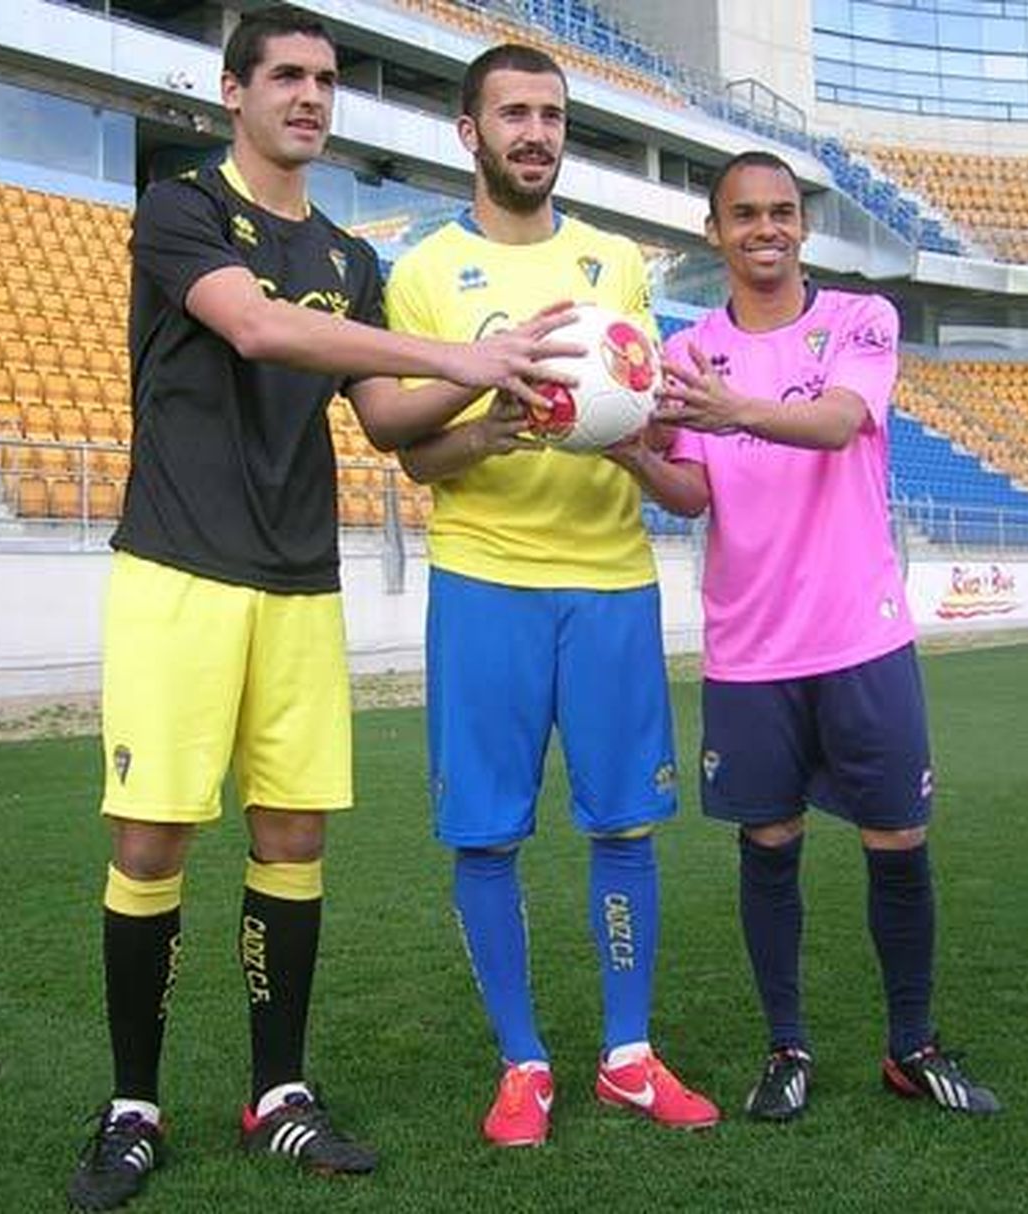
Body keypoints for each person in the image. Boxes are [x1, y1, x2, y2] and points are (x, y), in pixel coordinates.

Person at [67, 10, 583, 1210]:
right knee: (151, 842)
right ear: (234, 90)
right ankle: (133, 1103)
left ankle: (278, 1096)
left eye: (325, 80)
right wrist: (458, 353)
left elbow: (390, 421)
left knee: (293, 840)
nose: (310, 96)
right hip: (177, 570)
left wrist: (494, 409)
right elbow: (254, 325)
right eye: (287, 76)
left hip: (301, 580)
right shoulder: (180, 207)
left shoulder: (350, 256)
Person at [614, 151, 1002, 1122]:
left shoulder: (858, 320)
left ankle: (909, 1043)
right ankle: (785, 1046)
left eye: (781, 212)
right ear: (715, 231)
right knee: (768, 841)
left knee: (896, 838)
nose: (766, 229)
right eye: (744, 215)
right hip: (750, 649)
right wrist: (627, 453)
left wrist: (732, 409)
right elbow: (694, 491)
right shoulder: (690, 350)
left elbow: (835, 424)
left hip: (859, 636)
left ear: (802, 224)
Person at [385, 43, 719, 1149]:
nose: (537, 132)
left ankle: (627, 1054)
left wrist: (629, 428)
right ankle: (522, 1060)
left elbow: (653, 422)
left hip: (611, 580)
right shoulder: (425, 271)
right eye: (514, 113)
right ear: (468, 132)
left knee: (625, 820)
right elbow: (418, 458)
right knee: (485, 835)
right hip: (485, 580)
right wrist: (496, 420)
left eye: (552, 114)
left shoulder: (616, 262)